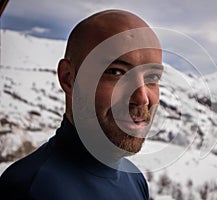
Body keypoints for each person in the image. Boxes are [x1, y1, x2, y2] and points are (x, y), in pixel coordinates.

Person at [0, 9, 163, 199]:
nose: (143, 98)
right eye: (116, 72)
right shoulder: (26, 189)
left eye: (152, 77)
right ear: (69, 78)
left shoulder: (135, 180)